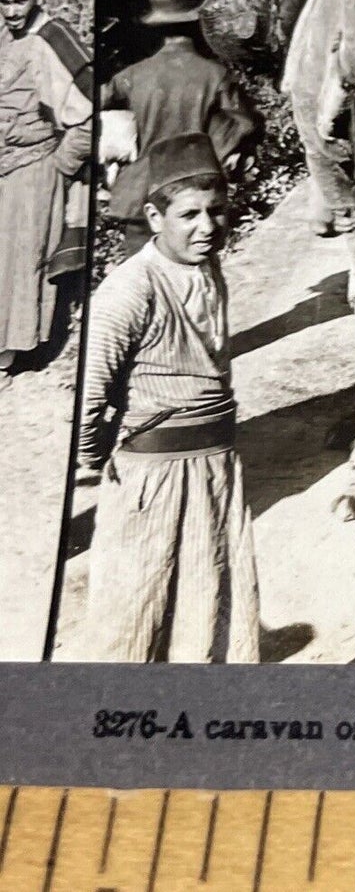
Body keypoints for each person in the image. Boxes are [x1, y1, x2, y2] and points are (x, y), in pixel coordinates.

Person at [77, 134, 260, 662]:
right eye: (190, 215)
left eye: (217, 212)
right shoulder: (128, 290)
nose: (207, 227)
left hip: (217, 469)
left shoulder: (208, 269)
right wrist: (98, 458)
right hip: (151, 479)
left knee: (209, 611)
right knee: (134, 618)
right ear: (155, 218)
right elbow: (89, 398)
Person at [103, 0, 261, 258]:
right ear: (198, 24)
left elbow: (94, 111)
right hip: (193, 195)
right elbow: (243, 126)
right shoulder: (215, 75)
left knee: (144, 276)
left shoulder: (131, 76)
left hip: (142, 193)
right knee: (196, 278)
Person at [0, 0, 92, 372]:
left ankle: (7, 356)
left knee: (21, 261)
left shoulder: (54, 39)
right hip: (7, 167)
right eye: (4, 1)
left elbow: (87, 115)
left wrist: (60, 166)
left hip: (36, 170)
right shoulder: (11, 40)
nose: (10, 10)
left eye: (19, 1)